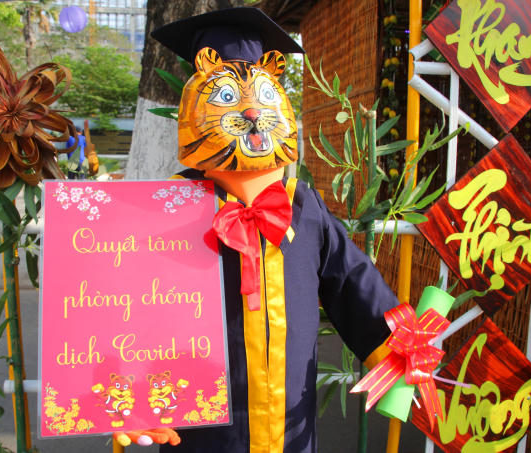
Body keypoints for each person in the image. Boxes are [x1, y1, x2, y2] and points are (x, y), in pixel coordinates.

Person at [114, 8, 399, 453]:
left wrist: (399, 346)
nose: (250, 110)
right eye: (228, 96)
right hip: (200, 426)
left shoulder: (303, 206)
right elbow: (126, 306)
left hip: (291, 423)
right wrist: (126, 395)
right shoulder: (170, 211)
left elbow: (350, 280)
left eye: (262, 96)